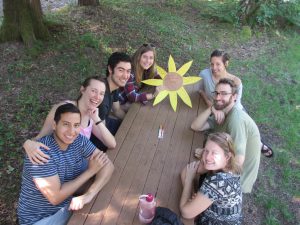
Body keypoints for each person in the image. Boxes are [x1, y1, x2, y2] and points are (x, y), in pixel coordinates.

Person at [18, 103, 114, 225]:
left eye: (76, 125)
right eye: (66, 124)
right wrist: (91, 171)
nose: (72, 131)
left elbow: (108, 165)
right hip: (40, 219)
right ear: (54, 125)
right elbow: (55, 197)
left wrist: (89, 194)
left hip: (67, 205)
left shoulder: (79, 140)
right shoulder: (41, 153)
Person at [22, 76, 116, 164]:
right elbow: (41, 137)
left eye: (101, 94)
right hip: (57, 164)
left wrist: (97, 119)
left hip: (76, 165)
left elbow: (111, 143)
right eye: (94, 91)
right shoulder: (64, 108)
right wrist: (28, 143)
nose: (97, 97)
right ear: (82, 90)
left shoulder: (91, 116)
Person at [198, 49, 273, 157]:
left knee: (240, 126)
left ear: (226, 64)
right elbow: (200, 91)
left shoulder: (235, 81)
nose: (214, 68)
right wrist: (213, 108)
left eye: (218, 64)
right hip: (214, 108)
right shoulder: (204, 74)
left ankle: (258, 144)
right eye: (212, 64)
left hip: (233, 109)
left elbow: (235, 104)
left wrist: (223, 113)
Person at [191, 78, 261, 193]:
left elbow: (238, 161)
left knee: (191, 174)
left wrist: (206, 156)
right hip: (224, 164)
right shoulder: (223, 112)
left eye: (224, 94)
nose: (218, 97)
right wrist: (211, 109)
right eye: (217, 93)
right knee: (192, 173)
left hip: (235, 181)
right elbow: (195, 126)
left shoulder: (235, 119)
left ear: (234, 97)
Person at [180, 132, 242, 224]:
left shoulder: (219, 181)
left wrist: (189, 180)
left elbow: (185, 213)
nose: (208, 157)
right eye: (206, 151)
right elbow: (187, 170)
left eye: (214, 153)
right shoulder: (229, 168)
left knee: (182, 218)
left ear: (227, 156)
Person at [90, 52, 131, 149]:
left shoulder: (113, 86)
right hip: (93, 138)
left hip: (104, 122)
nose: (126, 76)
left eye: (128, 71)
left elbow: (117, 110)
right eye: (121, 70)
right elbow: (102, 133)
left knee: (130, 130)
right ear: (110, 69)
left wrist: (130, 122)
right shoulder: (101, 98)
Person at [118, 43, 158, 109]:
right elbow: (132, 97)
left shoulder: (147, 68)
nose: (148, 61)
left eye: (151, 58)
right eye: (145, 57)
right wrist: (153, 95)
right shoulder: (129, 72)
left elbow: (157, 77)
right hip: (118, 104)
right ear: (138, 57)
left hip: (128, 101)